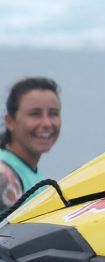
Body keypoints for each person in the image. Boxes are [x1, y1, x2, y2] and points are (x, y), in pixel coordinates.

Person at [1, 76, 62, 208]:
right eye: (35, 114)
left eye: (53, 113)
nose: (47, 123)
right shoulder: (4, 175)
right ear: (10, 121)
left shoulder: (33, 175)